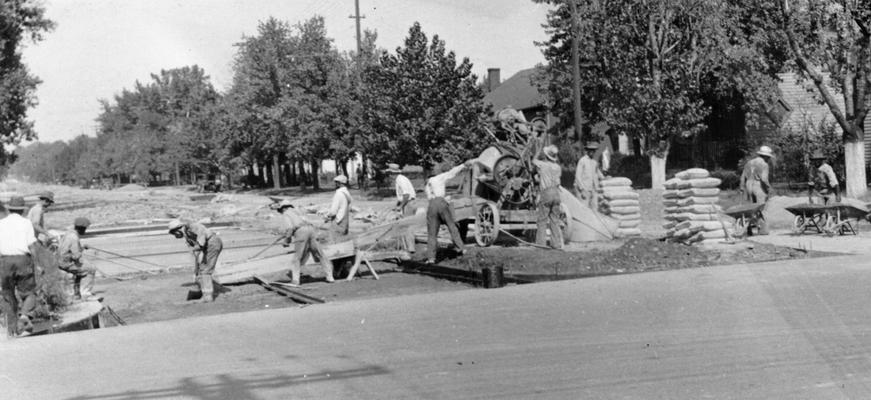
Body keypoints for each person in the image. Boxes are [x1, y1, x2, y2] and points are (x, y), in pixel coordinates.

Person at [0, 196, 39, 337]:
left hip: (5, 261)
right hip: (23, 260)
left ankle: (11, 330)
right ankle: (25, 316)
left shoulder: (1, 223)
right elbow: (32, 245)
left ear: (9, 209)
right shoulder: (26, 223)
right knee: (29, 292)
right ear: (22, 210)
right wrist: (38, 264)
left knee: (8, 295)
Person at [273, 200, 334, 285]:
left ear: (283, 208)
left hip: (301, 232)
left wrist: (287, 240)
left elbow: (290, 228)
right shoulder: (299, 210)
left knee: (297, 257)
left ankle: (295, 280)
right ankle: (330, 277)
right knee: (320, 254)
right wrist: (288, 237)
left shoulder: (286, 213)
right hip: (312, 230)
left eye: (280, 210)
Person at [168, 219, 223, 302]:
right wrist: (195, 271)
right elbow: (194, 254)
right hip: (207, 246)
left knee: (206, 270)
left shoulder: (192, 226)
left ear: (177, 229)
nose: (175, 236)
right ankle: (208, 290)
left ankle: (208, 296)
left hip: (213, 242)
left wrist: (198, 246)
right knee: (202, 269)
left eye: (174, 233)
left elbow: (201, 237)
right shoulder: (187, 237)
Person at [424, 162, 469, 263]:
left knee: (432, 234)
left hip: (431, 206)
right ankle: (461, 248)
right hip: (441, 202)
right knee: (451, 226)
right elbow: (452, 173)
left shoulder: (427, 185)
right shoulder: (438, 178)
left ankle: (431, 258)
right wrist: (463, 165)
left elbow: (431, 198)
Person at [57, 217, 97, 300]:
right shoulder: (74, 237)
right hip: (66, 262)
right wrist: (80, 253)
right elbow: (76, 256)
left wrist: (82, 247)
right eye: (85, 229)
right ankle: (86, 294)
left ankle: (77, 293)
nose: (85, 231)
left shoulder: (68, 233)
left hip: (60, 260)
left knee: (81, 270)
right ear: (81, 228)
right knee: (90, 269)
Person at [533, 145, 565, 249]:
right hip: (556, 193)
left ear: (546, 156)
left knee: (542, 220)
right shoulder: (558, 167)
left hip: (546, 193)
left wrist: (538, 151)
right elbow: (558, 182)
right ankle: (556, 244)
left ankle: (540, 244)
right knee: (555, 220)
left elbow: (533, 160)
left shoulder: (543, 165)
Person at [740, 145, 773, 235]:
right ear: (765, 156)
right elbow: (764, 178)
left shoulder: (749, 163)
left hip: (748, 185)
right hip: (758, 186)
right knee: (762, 208)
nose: (769, 159)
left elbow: (743, 176)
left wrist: (742, 187)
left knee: (751, 209)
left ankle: (749, 229)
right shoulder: (764, 164)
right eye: (768, 157)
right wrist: (768, 188)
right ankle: (763, 230)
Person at [386, 163, 417, 252]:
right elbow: (401, 196)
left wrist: (401, 206)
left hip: (409, 203)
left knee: (407, 225)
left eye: (390, 174)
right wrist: (397, 205)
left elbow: (406, 195)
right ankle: (407, 246)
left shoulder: (400, 180)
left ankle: (410, 248)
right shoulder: (399, 179)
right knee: (406, 225)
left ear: (392, 173)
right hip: (408, 202)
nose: (389, 176)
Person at [574, 142, 605, 210]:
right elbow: (578, 176)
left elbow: (598, 173)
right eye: (590, 150)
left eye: (593, 150)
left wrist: (605, 178)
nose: (592, 152)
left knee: (595, 208)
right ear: (587, 151)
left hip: (593, 189)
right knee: (584, 209)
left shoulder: (594, 162)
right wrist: (582, 189)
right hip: (584, 189)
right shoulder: (582, 161)